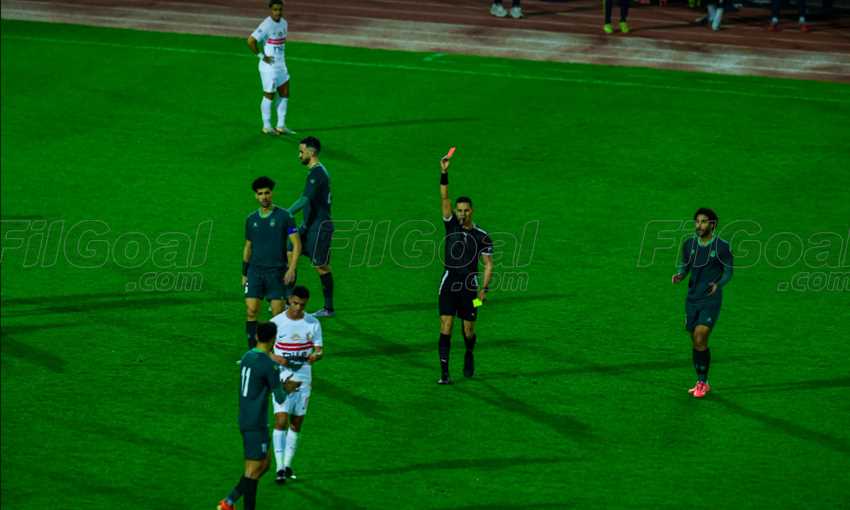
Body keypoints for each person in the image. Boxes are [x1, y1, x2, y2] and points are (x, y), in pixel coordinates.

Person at [217, 322, 301, 510]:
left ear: (256, 336)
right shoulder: (269, 366)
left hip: (246, 417)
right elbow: (280, 398)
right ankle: (229, 504)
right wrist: (288, 388)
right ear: (273, 339)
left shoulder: (247, 357)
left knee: (265, 464)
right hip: (256, 422)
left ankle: (228, 502)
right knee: (253, 471)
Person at [437, 155, 494, 385]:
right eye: (459, 210)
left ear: (472, 211)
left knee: (468, 330)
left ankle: (469, 351)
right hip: (449, 282)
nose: (462, 214)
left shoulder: (482, 236)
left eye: (466, 210)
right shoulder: (450, 225)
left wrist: (484, 291)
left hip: (471, 288)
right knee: (446, 325)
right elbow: (444, 196)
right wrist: (444, 172)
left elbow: (488, 264)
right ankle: (444, 373)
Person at [671, 208, 733, 398]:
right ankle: (702, 380)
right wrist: (680, 275)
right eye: (697, 221)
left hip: (710, 299)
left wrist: (718, 284)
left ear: (713, 224)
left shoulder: (722, 247)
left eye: (704, 221)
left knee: (700, 337)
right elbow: (685, 264)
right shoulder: (689, 244)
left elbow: (728, 271)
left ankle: (702, 382)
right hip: (692, 299)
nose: (699, 225)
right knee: (697, 342)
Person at [268, 286, 324, 484]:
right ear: (289, 300)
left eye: (302, 305)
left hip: (303, 376)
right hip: (282, 375)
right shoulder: (276, 322)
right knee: (281, 420)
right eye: (295, 303)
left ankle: (287, 465)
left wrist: (315, 356)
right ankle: (279, 468)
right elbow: (264, 349)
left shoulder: (313, 323)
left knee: (296, 422)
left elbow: (319, 350)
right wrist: (277, 358)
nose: (298, 308)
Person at [244, 176, 301, 348]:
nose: (264, 197)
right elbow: (248, 247)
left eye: (267, 193)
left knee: (277, 315)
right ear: (256, 196)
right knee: (251, 311)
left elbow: (297, 244)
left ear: (272, 193)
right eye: (260, 194)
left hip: (276, 272)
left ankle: (273, 352)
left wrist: (292, 268)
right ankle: (253, 352)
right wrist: (244, 273)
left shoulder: (285, 216)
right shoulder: (251, 219)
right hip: (255, 271)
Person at [287, 137, 336, 317]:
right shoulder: (316, 172)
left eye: (302, 151)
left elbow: (304, 200)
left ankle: (328, 309)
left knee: (321, 266)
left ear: (311, 152)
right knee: (290, 250)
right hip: (308, 225)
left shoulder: (317, 174)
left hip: (319, 227)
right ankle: (287, 301)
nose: (299, 155)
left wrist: (286, 213)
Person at [247, 0, 295, 135]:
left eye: (280, 9)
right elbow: (250, 41)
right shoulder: (266, 25)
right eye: (275, 9)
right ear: (271, 10)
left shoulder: (284, 23)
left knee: (285, 93)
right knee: (269, 95)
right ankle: (267, 126)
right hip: (269, 67)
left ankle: (281, 125)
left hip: (281, 65)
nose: (278, 12)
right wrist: (261, 56)